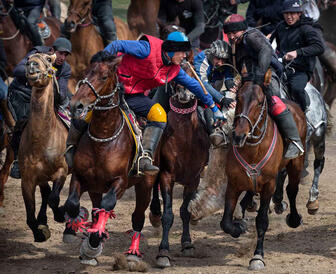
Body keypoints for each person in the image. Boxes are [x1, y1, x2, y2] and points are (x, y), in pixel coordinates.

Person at [64, 31, 226, 176]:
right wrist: (103, 64)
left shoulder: (174, 69)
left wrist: (213, 107)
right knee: (86, 113)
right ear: (171, 50)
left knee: (159, 114)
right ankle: (71, 146)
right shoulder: (146, 49)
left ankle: (145, 157)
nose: (184, 56)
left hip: (135, 96)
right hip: (111, 89)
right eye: (182, 53)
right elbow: (118, 44)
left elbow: (195, 86)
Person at [223, 14, 304, 159]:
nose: (231, 36)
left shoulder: (251, 36)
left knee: (274, 101)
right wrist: (230, 80)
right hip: (248, 79)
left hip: (267, 74)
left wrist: (260, 76)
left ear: (242, 30)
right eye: (228, 33)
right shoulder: (235, 45)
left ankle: (294, 141)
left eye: (234, 33)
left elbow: (265, 51)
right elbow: (231, 67)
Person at [8, 37, 72, 178]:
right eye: (60, 53)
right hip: (21, 95)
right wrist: (37, 72)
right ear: (52, 51)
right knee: (23, 123)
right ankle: (18, 161)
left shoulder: (65, 69)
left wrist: (50, 77)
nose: (62, 57)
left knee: (70, 120)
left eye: (65, 55)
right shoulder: (37, 53)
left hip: (45, 100)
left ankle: (69, 155)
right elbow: (17, 70)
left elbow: (61, 95)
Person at [272, 0, 325, 112]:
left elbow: (319, 47)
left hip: (301, 70)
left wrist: (297, 52)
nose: (289, 17)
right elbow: (272, 42)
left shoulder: (307, 29)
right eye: (287, 13)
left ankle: (303, 113)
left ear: (299, 13)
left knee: (296, 89)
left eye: (293, 13)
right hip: (281, 67)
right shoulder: (280, 27)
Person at [193, 39, 236, 144]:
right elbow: (204, 85)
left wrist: (229, 81)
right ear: (212, 55)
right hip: (198, 95)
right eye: (218, 59)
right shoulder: (201, 59)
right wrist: (222, 99)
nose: (220, 63)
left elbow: (228, 71)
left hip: (215, 93)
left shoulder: (224, 62)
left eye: (223, 60)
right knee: (209, 111)